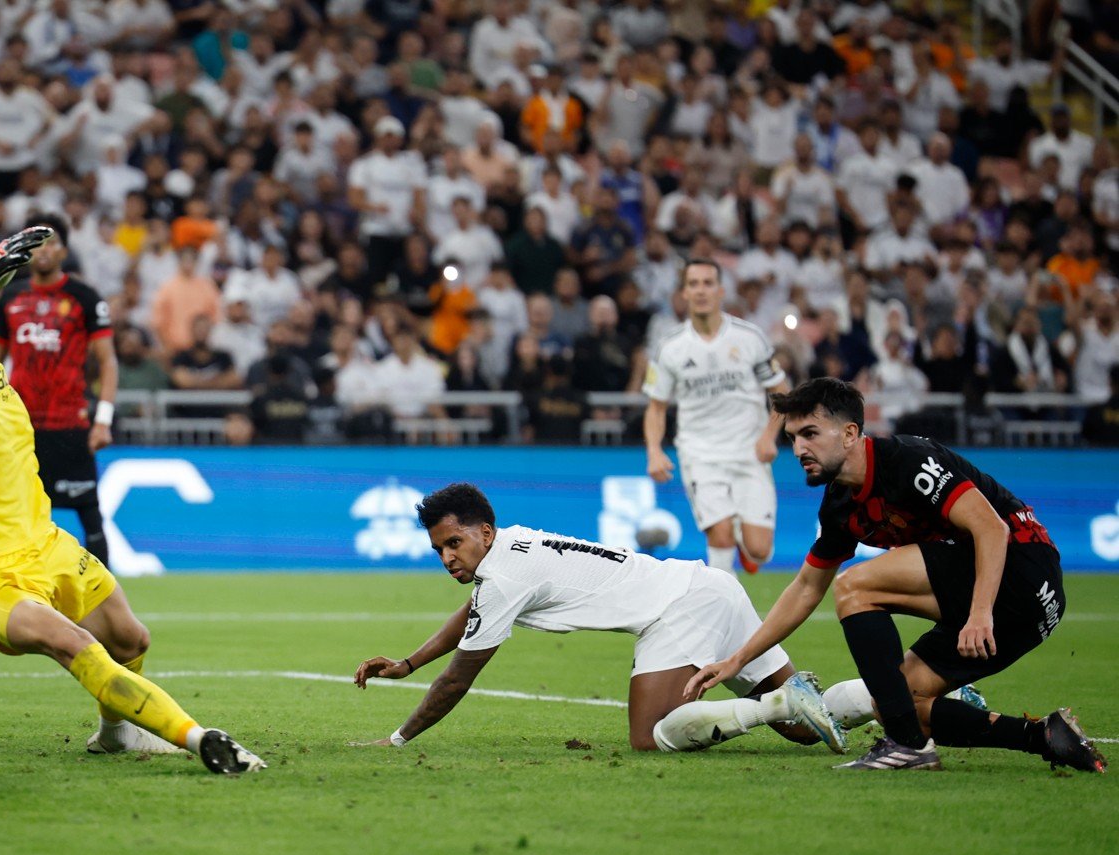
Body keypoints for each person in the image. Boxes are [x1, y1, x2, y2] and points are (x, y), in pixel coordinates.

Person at [0, 219, 265, 774]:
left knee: (131, 639)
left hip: (45, 544)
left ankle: (114, 734)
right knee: (77, 645)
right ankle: (198, 737)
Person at [690, 378, 1105, 773]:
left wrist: (980, 614)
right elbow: (804, 589)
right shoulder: (839, 505)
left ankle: (906, 746)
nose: (799, 448)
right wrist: (737, 660)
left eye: (811, 434)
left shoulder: (908, 461)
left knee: (856, 586)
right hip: (1018, 611)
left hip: (1022, 570)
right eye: (793, 438)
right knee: (900, 700)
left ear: (850, 433)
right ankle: (1044, 736)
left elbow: (991, 528)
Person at [350, 483, 844, 753]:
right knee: (805, 731)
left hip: (679, 609)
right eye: (438, 550)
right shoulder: (510, 544)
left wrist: (397, 739)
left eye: (454, 543)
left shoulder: (502, 578)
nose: (447, 558)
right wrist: (409, 664)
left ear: (483, 531)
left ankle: (778, 705)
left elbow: (459, 678)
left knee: (649, 736)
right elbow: (474, 611)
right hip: (707, 586)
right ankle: (895, 703)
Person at [0, 213, 117, 565]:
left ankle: (105, 605)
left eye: (52, 242)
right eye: (37, 242)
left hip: (70, 423)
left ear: (64, 251)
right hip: (20, 428)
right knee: (17, 518)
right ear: (27, 251)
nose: (44, 250)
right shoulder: (10, 298)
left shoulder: (84, 297)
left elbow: (108, 362)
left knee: (90, 515)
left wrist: (102, 420)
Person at [643, 259, 790, 574]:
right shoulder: (670, 348)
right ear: (684, 292)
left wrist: (769, 436)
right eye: (693, 283)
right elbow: (656, 407)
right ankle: (726, 612)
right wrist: (654, 451)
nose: (701, 290)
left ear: (721, 290)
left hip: (749, 451)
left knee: (760, 550)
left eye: (708, 283)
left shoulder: (749, 338)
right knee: (719, 537)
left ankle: (744, 536)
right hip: (700, 453)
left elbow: (781, 391)